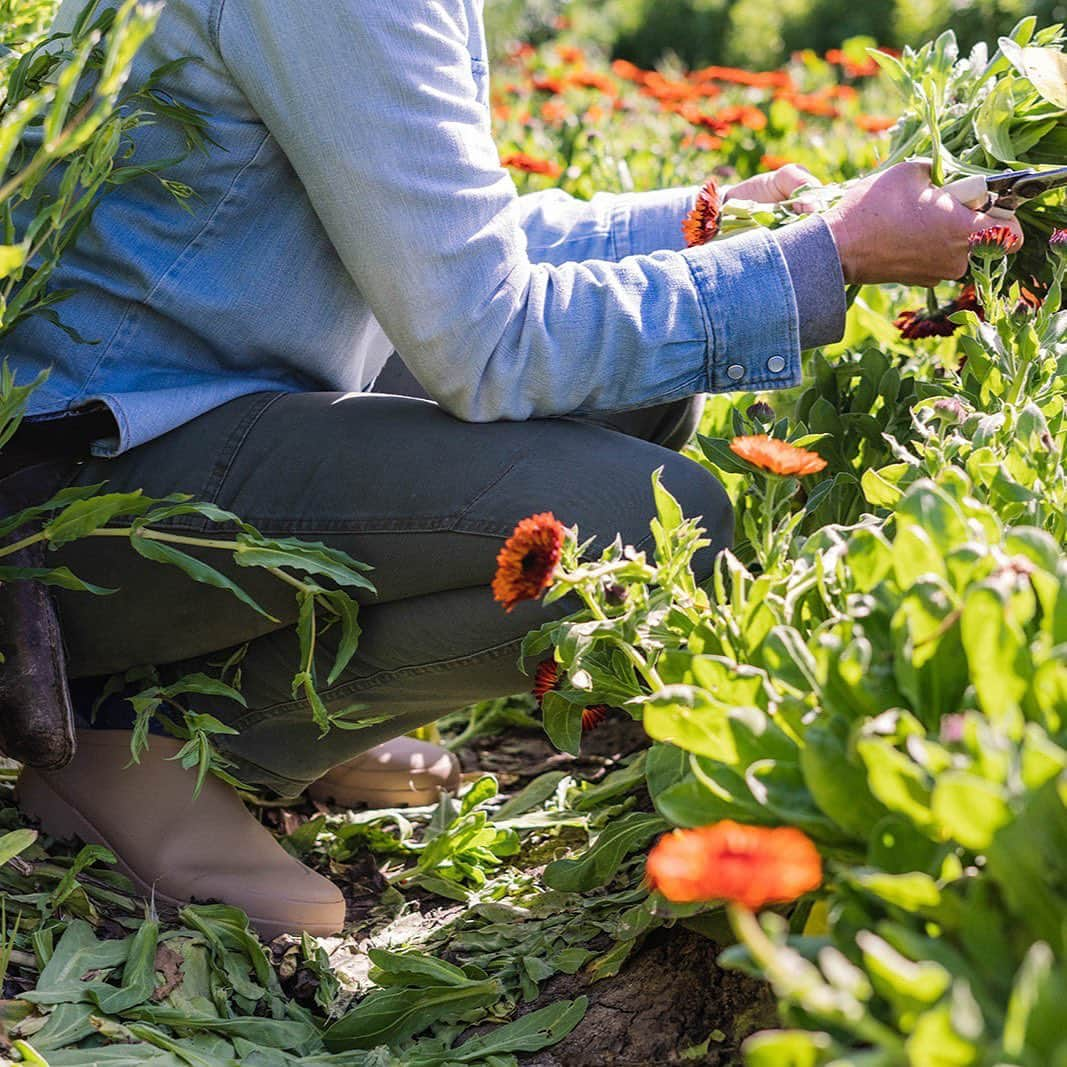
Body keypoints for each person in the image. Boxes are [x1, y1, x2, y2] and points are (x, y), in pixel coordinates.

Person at [3, 0, 1021, 939]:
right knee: (652, 529)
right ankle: (138, 727)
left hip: (195, 394)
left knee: (644, 392)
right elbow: (489, 340)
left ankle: (262, 698)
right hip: (80, 497)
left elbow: (443, 240)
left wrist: (713, 222)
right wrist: (827, 259)